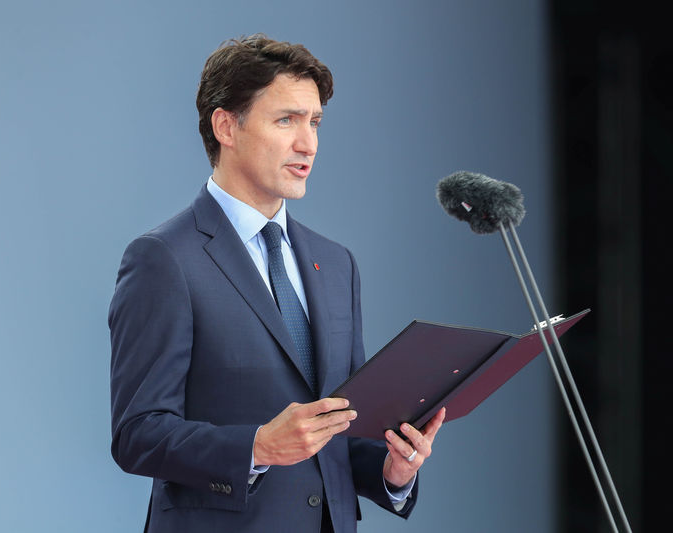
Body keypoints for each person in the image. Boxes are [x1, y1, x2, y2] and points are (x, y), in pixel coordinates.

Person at [108, 34, 445, 533]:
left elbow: (341, 428)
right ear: (226, 126)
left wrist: (393, 471)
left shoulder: (336, 264)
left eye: (315, 123)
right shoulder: (163, 259)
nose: (307, 142)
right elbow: (137, 434)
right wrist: (257, 446)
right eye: (286, 120)